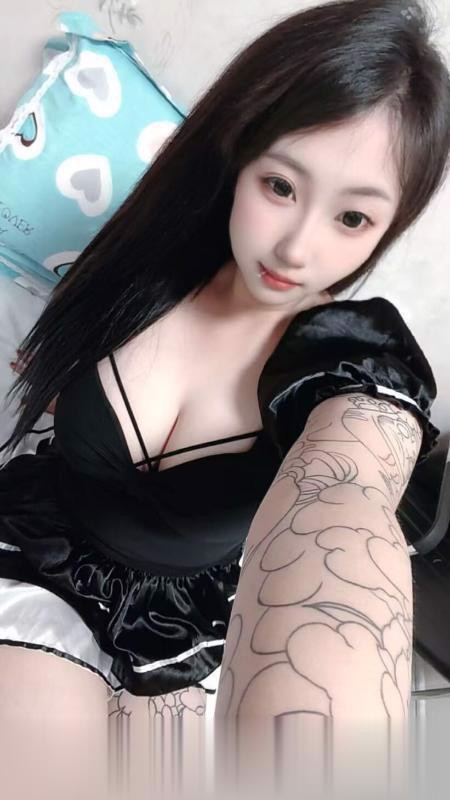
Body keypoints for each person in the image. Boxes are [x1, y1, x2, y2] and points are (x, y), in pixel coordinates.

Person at [0, 0, 449, 776]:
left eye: (352, 219)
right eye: (280, 185)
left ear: (389, 227)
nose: (297, 247)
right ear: (237, 153)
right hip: (39, 550)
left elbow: (349, 488)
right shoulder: (144, 260)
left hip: (180, 631)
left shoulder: (348, 358)